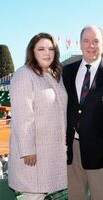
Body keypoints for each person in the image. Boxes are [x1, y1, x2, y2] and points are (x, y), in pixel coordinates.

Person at [8, 33, 67, 200]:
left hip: (50, 150)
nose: (46, 53)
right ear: (32, 52)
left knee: (42, 194)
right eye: (41, 48)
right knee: (33, 195)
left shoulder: (55, 74)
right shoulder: (24, 74)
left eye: (51, 49)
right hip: (33, 153)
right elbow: (22, 116)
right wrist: (28, 150)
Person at [62, 25, 103, 200]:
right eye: (86, 41)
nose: (91, 45)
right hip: (73, 149)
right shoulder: (67, 71)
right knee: (76, 196)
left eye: (96, 41)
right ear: (80, 44)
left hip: (100, 151)